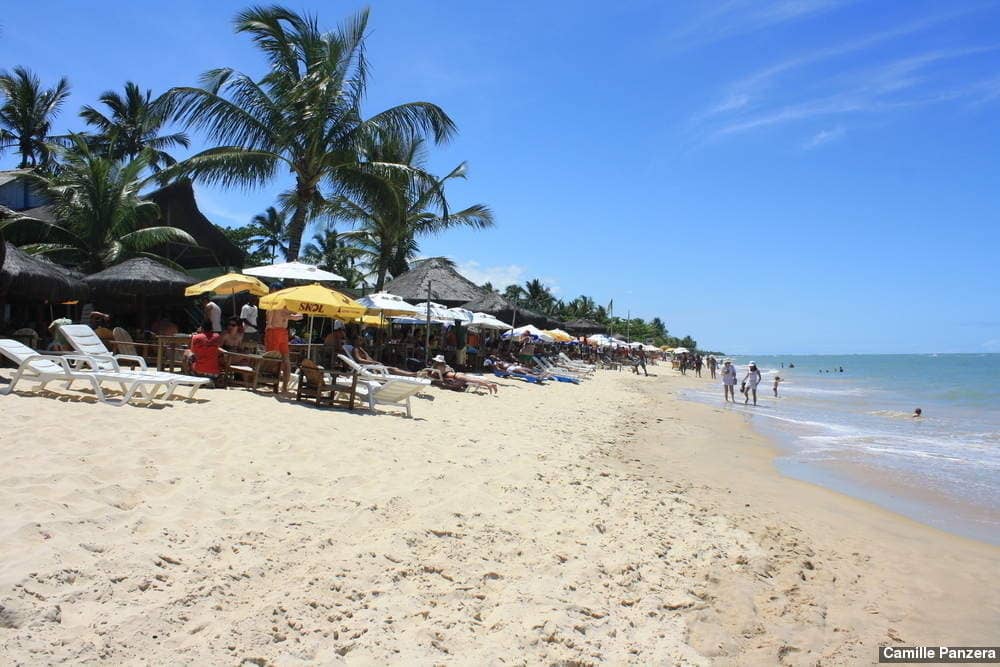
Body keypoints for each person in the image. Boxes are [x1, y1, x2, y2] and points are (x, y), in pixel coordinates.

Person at [265, 307, 303, 393]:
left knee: (284, 360)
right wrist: (289, 316)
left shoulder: (283, 304)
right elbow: (269, 317)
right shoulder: (277, 304)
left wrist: (289, 316)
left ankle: (283, 386)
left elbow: (300, 315)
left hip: (281, 332)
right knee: (275, 360)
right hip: (275, 331)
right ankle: (275, 384)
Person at [429, 354, 498, 394]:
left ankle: (488, 385)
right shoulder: (445, 366)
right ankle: (489, 384)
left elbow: (432, 374)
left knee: (474, 380)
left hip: (456, 376)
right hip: (457, 374)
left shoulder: (437, 367)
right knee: (474, 379)